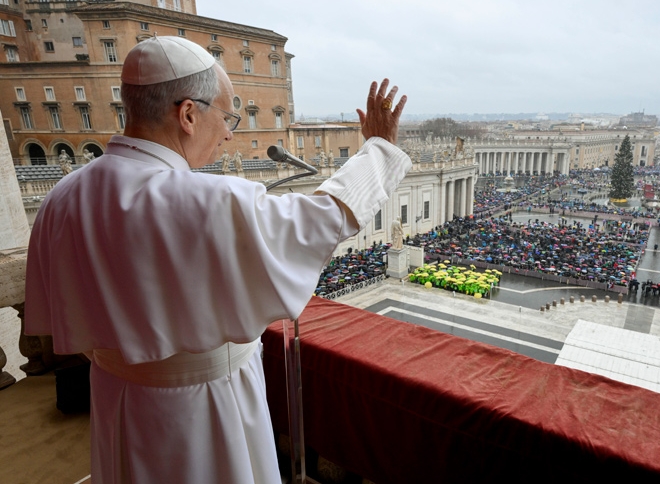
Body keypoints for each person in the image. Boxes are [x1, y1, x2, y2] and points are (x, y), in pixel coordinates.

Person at [24, 36, 410, 483]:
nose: (229, 133)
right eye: (227, 117)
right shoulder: (209, 199)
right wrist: (379, 147)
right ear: (188, 114)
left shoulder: (61, 198)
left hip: (116, 399)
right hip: (204, 408)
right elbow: (324, 218)